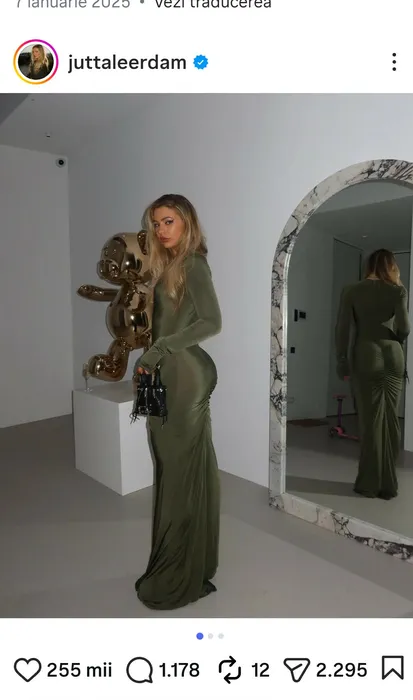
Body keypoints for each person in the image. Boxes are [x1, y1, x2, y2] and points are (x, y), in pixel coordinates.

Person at [133, 194, 222, 609]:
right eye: (156, 223)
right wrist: (150, 359)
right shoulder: (167, 266)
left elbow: (212, 322)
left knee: (178, 474)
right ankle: (190, 563)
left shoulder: (194, 264)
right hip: (166, 374)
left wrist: (158, 350)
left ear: (187, 222)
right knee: (178, 470)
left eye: (168, 221)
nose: (161, 230)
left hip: (186, 377)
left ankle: (177, 573)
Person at [335, 249, 410, 500]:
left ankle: (368, 484)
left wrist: (342, 361)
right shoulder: (398, 290)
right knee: (390, 420)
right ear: (391, 266)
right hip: (393, 355)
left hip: (366, 354)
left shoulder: (351, 290)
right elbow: (405, 328)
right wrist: (394, 338)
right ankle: (388, 486)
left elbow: (342, 329)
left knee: (370, 422)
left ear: (369, 265)